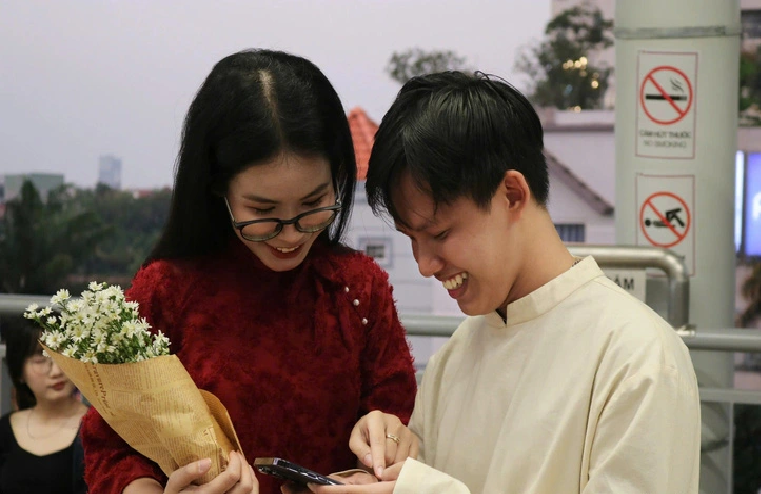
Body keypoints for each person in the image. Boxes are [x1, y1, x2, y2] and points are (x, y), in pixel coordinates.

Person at [323, 71, 702, 494]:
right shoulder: (458, 354)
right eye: (411, 239)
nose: (425, 265)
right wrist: (392, 458)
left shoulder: (638, 357)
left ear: (512, 195)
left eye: (440, 233)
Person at [80, 49, 417, 494]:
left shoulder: (358, 289)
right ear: (217, 188)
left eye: (315, 204)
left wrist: (386, 459)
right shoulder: (167, 290)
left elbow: (396, 422)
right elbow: (110, 445)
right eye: (263, 211)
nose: (292, 234)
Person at [0, 316, 88, 494]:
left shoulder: (97, 429)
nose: (56, 371)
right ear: (19, 373)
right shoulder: (4, 429)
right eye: (40, 360)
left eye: (61, 355)